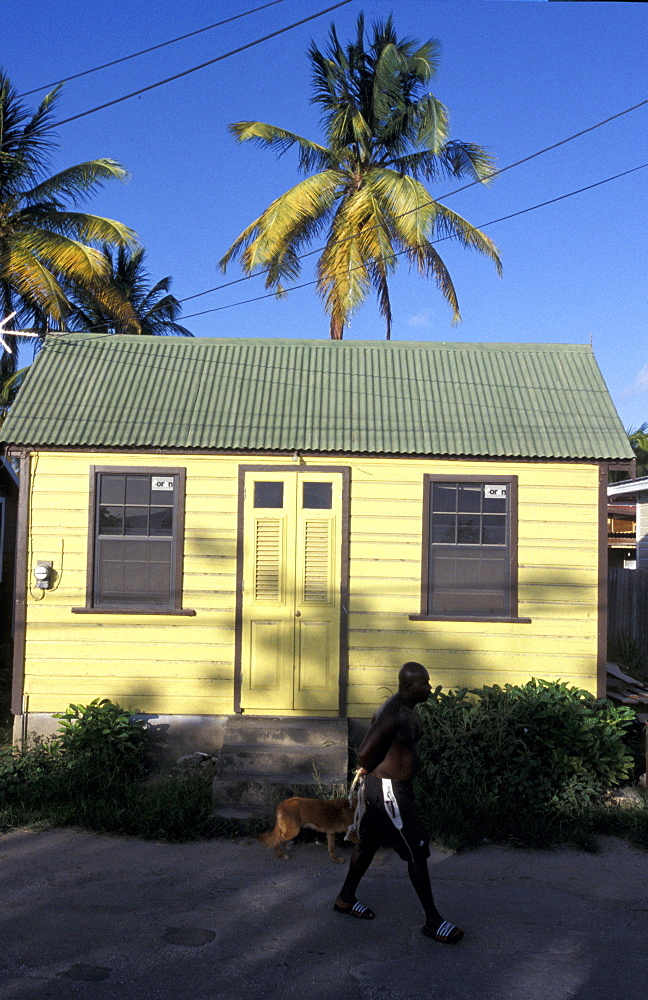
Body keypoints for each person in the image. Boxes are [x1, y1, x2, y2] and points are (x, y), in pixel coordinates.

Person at [334, 661, 464, 944]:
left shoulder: (407, 708)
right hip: (389, 792)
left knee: (368, 844)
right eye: (424, 684)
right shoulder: (392, 714)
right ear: (409, 687)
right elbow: (365, 754)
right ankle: (433, 921)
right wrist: (376, 774)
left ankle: (345, 899)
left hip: (390, 787)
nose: (430, 688)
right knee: (417, 850)